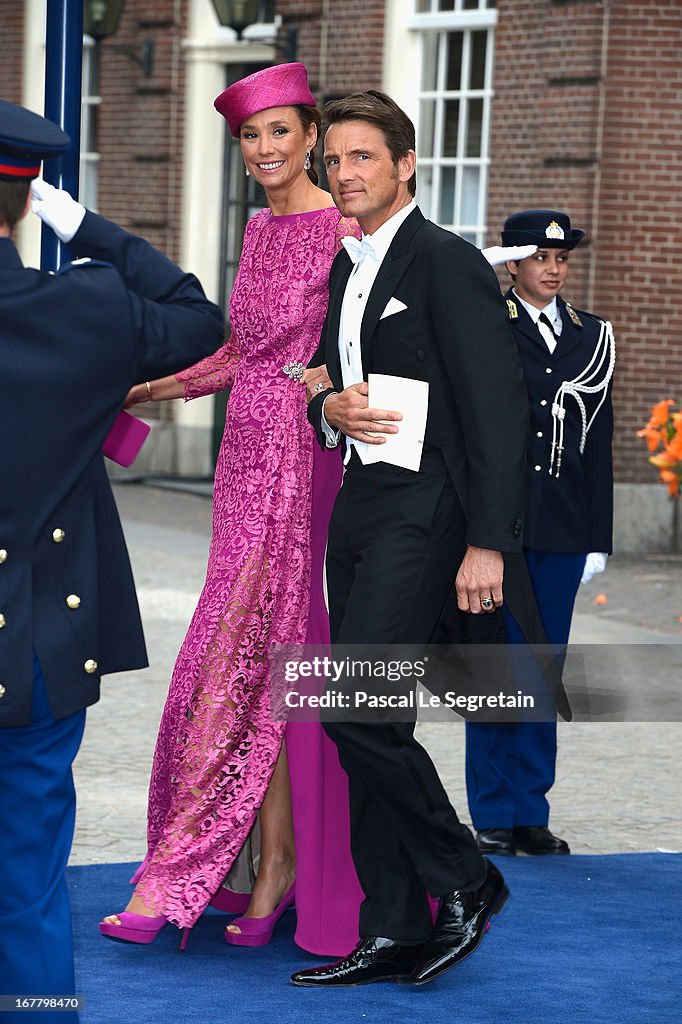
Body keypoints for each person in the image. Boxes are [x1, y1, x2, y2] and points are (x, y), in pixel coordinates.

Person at [290, 91, 564, 990]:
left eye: (363, 157)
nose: (345, 175)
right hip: (360, 508)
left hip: (428, 512)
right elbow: (331, 387)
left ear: (406, 165)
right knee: (378, 718)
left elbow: (499, 412)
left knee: (352, 710)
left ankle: (466, 877)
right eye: (334, 161)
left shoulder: (446, 262)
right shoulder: (344, 266)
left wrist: (488, 543)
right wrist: (323, 407)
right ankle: (392, 925)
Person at [99, 62, 363, 955]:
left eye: (280, 133)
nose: (264, 151)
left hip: (296, 467)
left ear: (311, 135)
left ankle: (191, 871)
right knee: (257, 669)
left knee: (238, 665)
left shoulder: (344, 231)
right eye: (251, 137)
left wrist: (310, 384)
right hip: (239, 466)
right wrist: (152, 388)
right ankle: (268, 865)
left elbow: (336, 359)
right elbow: (240, 354)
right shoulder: (257, 231)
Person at [0, 100, 223, 1018]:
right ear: (23, 199)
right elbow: (197, 317)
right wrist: (89, 230)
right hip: (40, 648)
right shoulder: (87, 310)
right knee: (28, 876)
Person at [467, 209, 614, 857]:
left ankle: (531, 809)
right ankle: (494, 811)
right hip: (497, 528)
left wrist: (599, 537)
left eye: (561, 259)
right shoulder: (483, 321)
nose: (553, 269)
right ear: (514, 261)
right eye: (539, 257)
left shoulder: (592, 335)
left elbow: (599, 445)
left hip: (561, 528)